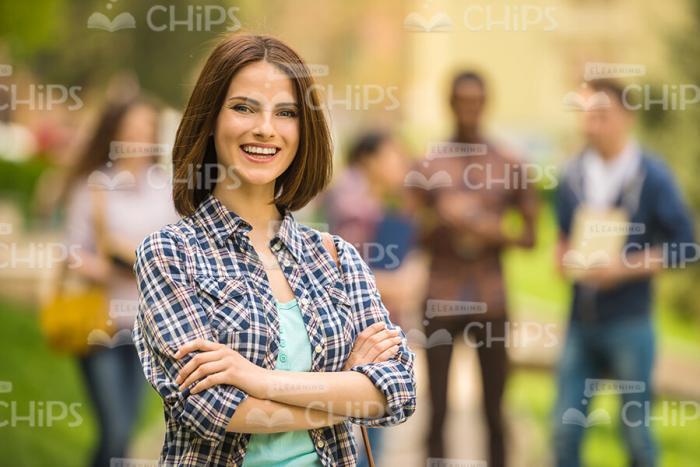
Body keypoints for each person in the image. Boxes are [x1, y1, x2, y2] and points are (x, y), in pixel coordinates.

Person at [132, 34, 416, 467]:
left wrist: (257, 378)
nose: (265, 128)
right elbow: (213, 409)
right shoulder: (170, 254)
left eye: (285, 113)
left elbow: (398, 391)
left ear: (303, 131)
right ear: (210, 119)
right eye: (244, 107)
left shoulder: (336, 258)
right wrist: (346, 388)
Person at [553, 79, 695, 467]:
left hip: (630, 323)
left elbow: (687, 246)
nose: (590, 126)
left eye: (600, 116)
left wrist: (626, 268)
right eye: (585, 116)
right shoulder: (573, 173)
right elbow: (563, 236)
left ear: (627, 117)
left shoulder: (653, 175)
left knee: (635, 434)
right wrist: (562, 256)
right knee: (564, 430)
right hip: (580, 321)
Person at [408, 71, 538, 467]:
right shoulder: (428, 164)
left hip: (491, 298)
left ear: (486, 103)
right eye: (461, 101)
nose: (469, 109)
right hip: (442, 297)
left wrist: (489, 230)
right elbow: (412, 235)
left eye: (476, 101)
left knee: (495, 409)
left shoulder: (509, 162)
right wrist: (442, 220)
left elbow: (530, 237)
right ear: (450, 103)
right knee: (438, 408)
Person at [62, 96, 178, 466]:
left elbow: (176, 249)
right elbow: (71, 252)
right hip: (101, 325)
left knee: (124, 431)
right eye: (131, 129)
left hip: (147, 329)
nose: (139, 139)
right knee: (114, 430)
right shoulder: (94, 187)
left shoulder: (166, 190)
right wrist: (111, 267)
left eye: (146, 130)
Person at [324, 130, 421, 466]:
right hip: (356, 335)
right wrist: (396, 284)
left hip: (381, 328)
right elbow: (342, 271)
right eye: (395, 156)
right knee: (357, 431)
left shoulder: (385, 199)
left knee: (372, 427)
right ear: (370, 160)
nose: (402, 165)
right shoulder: (353, 202)